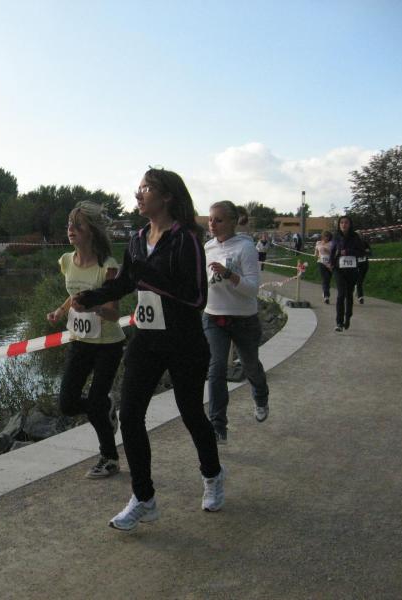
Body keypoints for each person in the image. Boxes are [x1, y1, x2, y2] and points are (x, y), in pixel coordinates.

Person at [73, 168, 225, 531]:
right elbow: (127, 282)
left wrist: (150, 276)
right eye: (139, 188)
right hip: (147, 340)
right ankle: (144, 499)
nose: (138, 194)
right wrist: (91, 297)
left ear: (167, 196)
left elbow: (196, 297)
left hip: (184, 343)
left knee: (191, 413)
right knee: (129, 416)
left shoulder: (186, 239)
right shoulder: (139, 239)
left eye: (146, 188)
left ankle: (213, 475)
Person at [46, 201, 125, 479]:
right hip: (80, 341)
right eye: (69, 224)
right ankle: (106, 407)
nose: (71, 229)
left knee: (93, 401)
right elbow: (75, 294)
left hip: (108, 345)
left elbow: (114, 314)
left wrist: (94, 306)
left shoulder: (108, 267)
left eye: (78, 225)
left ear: (92, 231)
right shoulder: (66, 261)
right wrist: (60, 310)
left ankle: (110, 458)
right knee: (67, 404)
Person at [203, 203, 269, 446]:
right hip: (214, 316)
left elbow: (252, 289)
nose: (212, 224)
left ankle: (260, 396)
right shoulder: (208, 247)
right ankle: (218, 425)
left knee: (250, 365)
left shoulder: (245, 247)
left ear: (233, 221)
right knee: (216, 368)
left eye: (218, 220)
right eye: (210, 219)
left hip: (243, 318)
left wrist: (229, 274)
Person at [329, 216, 366, 332]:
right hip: (339, 269)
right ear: (339, 224)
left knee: (349, 295)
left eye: (346, 223)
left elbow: (362, 252)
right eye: (341, 223)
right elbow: (332, 251)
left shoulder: (355, 237)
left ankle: (348, 316)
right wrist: (331, 263)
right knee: (341, 294)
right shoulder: (336, 236)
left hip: (352, 269)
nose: (343, 225)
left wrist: (348, 251)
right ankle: (339, 322)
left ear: (350, 224)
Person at [314, 231, 333, 304]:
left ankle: (325, 291)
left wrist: (327, 251)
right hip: (321, 262)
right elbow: (316, 252)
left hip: (329, 263)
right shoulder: (318, 243)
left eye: (328, 236)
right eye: (325, 236)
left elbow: (334, 253)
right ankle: (326, 296)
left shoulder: (331, 243)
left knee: (328, 280)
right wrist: (316, 255)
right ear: (322, 236)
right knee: (325, 279)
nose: (326, 238)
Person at [356, 237, 372, 304]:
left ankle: (360, 296)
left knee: (359, 281)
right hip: (354, 265)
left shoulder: (365, 243)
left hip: (364, 265)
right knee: (357, 281)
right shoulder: (352, 244)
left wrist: (367, 251)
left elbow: (370, 253)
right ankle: (360, 296)